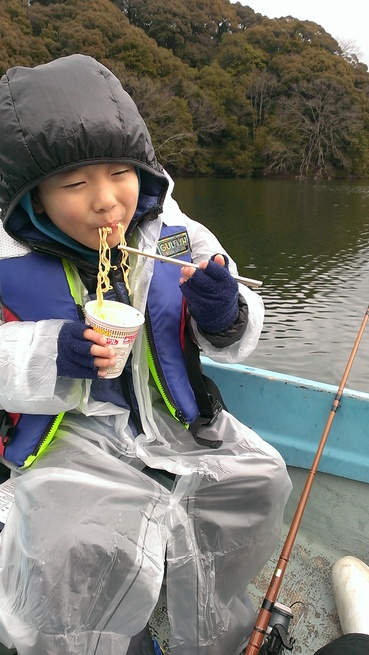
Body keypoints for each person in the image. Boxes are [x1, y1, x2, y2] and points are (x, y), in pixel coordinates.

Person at [0, 54, 291, 655]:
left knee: (259, 481)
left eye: (120, 173)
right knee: (68, 545)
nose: (108, 202)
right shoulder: (7, 259)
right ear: (33, 197)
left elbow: (234, 329)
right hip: (69, 435)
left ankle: (200, 618)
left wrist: (224, 311)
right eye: (76, 184)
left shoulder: (175, 232)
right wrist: (54, 353)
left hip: (172, 424)